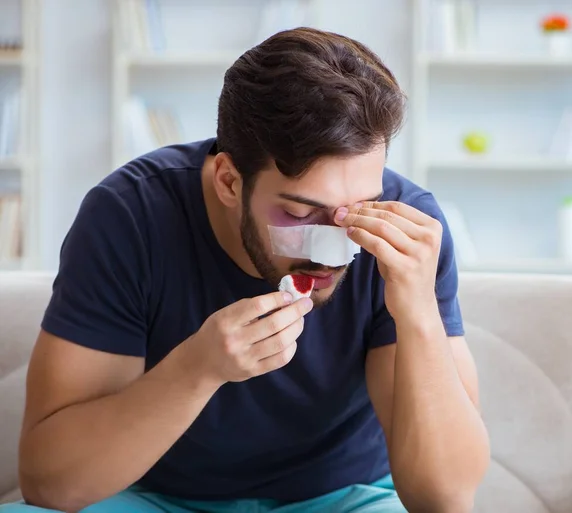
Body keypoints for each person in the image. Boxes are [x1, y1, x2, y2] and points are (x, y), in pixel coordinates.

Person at [1, 27, 489, 513]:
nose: (335, 247)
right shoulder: (130, 215)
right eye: (301, 215)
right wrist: (196, 370)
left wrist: (419, 312)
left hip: (348, 497)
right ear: (229, 181)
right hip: (153, 497)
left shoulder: (406, 231)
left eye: (361, 206)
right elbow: (52, 485)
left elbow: (444, 500)